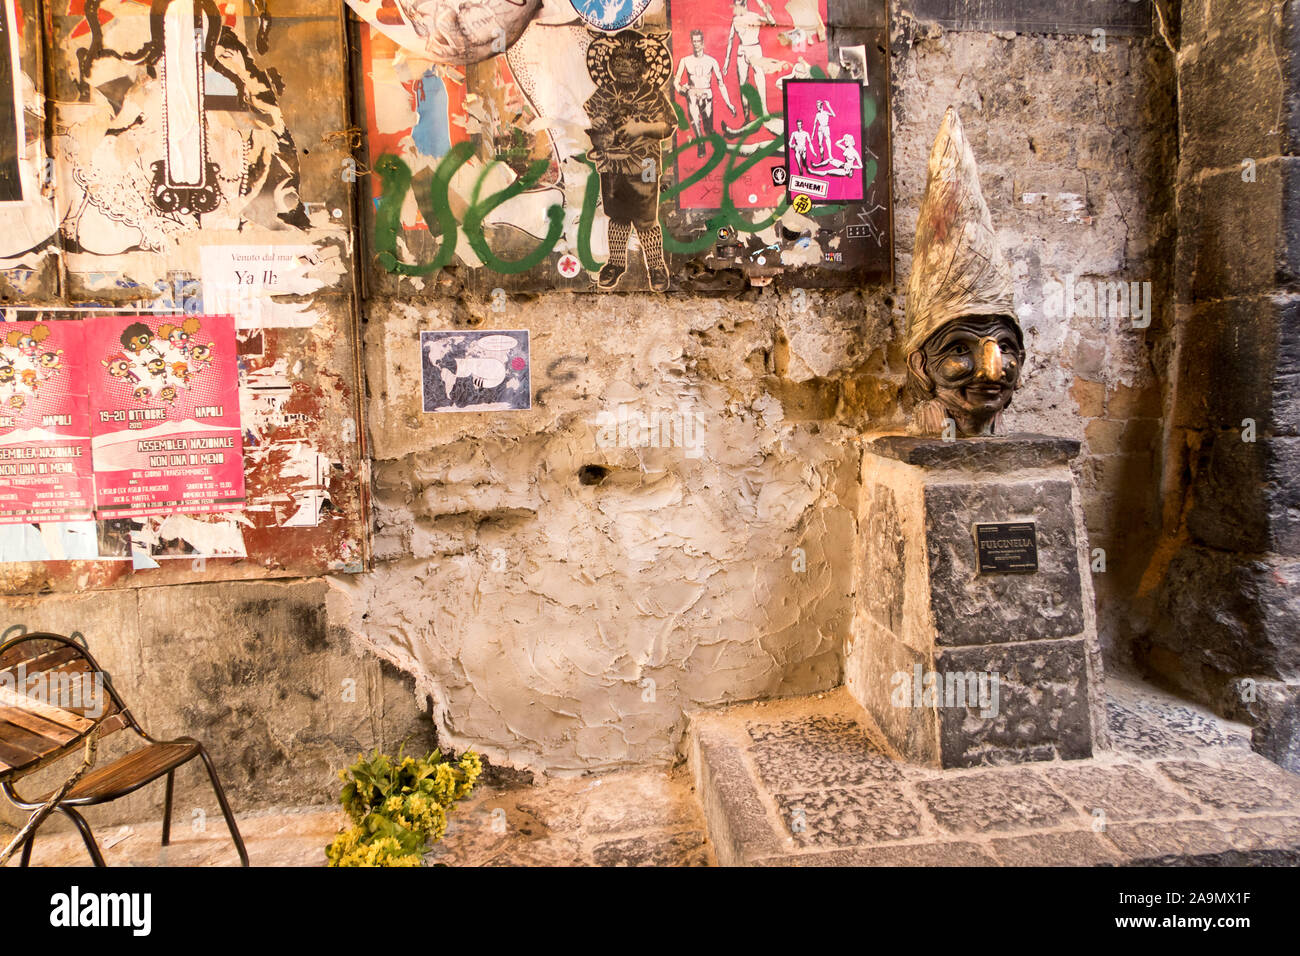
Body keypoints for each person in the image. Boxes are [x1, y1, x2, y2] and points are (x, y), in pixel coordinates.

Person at [585, 31, 676, 292]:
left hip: (645, 165)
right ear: (611, 64)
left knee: (646, 218)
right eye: (619, 61)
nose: (625, 68)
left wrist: (640, 129)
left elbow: (667, 126)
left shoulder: (651, 93)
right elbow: (594, 118)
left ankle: (656, 266)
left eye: (632, 61)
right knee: (618, 216)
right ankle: (616, 262)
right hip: (612, 164)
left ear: (644, 66)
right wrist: (600, 127)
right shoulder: (605, 92)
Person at [675, 30, 735, 158]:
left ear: (703, 43)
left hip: (707, 95)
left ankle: (712, 137)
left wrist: (729, 103)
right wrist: (682, 90)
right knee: (695, 118)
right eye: (694, 41)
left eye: (698, 41)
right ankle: (700, 144)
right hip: (692, 94)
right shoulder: (685, 60)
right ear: (691, 43)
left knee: (708, 128)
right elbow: (676, 81)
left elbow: (721, 84)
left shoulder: (711, 61)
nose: (696, 44)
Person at [723, 0, 776, 123]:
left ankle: (765, 110)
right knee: (743, 84)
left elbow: (772, 22)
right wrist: (726, 61)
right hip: (742, 50)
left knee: (760, 78)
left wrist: (761, 4)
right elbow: (730, 40)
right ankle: (746, 117)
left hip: (754, 48)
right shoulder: (735, 20)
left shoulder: (754, 16)